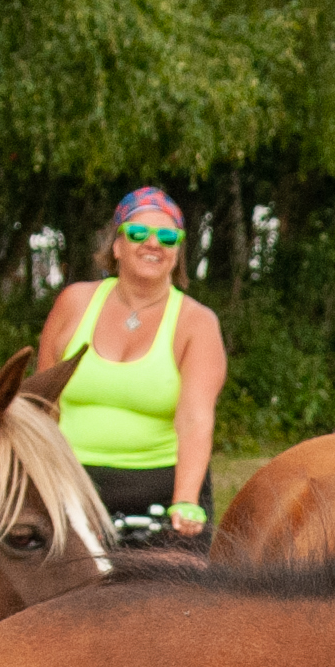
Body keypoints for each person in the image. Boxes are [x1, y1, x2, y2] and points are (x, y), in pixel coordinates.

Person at [37, 185, 229, 534]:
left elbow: (195, 421)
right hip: (68, 485)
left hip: (157, 495)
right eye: (139, 232)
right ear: (117, 245)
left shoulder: (197, 323)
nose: (153, 243)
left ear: (178, 252)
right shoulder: (74, 303)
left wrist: (184, 502)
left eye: (168, 237)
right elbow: (40, 403)